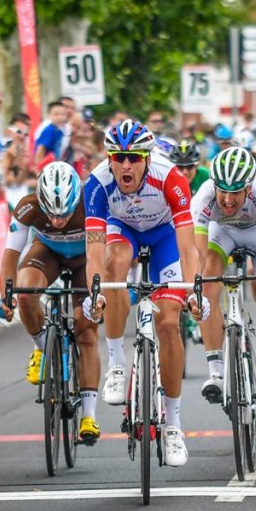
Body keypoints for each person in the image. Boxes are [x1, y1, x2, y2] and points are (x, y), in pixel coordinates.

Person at [85, 119, 204, 467]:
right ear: (109, 158)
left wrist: (193, 289)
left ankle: (173, 426)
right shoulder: (96, 184)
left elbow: (188, 246)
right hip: (123, 231)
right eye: (118, 157)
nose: (125, 165)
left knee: (169, 324)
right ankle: (118, 365)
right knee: (113, 262)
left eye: (133, 158)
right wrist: (96, 293)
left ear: (147, 159)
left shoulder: (171, 179)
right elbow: (93, 250)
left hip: (164, 236)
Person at [0, 162, 105, 444]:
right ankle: (40, 348)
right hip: (48, 253)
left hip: (85, 260)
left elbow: (99, 254)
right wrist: (5, 297)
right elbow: (10, 255)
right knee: (24, 292)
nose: (58, 221)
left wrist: (98, 297)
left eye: (65, 214)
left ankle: (89, 416)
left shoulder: (90, 203)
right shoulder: (28, 207)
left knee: (86, 330)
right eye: (52, 214)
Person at [194, 147, 256, 429]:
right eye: (221, 191)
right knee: (207, 284)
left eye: (234, 192)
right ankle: (216, 371)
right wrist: (197, 286)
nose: (226, 199)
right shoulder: (204, 195)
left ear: (248, 187)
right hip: (221, 233)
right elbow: (197, 251)